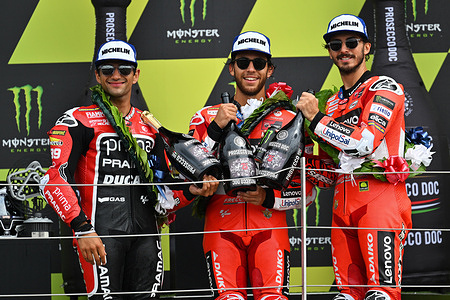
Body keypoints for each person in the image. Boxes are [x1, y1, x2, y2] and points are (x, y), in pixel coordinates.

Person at [40, 40, 218, 299]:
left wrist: (191, 191)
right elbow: (54, 178)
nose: (116, 75)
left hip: (147, 236)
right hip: (100, 235)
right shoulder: (77, 120)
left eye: (124, 69)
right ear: (97, 75)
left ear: (135, 75)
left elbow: (163, 192)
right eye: (107, 69)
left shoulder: (150, 127)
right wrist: (82, 229)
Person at [178, 31, 336, 300]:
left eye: (259, 63)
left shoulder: (290, 119)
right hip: (221, 227)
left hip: (270, 228)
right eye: (242, 62)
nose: (251, 69)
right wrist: (215, 128)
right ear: (231, 68)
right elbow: (186, 172)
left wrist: (267, 198)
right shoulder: (206, 116)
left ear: (270, 69)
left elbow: (307, 193)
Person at [296, 14, 412, 300]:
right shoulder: (332, 101)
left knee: (381, 295)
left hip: (380, 199)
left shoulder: (384, 87)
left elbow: (365, 143)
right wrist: (294, 161)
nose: (343, 49)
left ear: (367, 48)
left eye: (351, 42)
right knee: (346, 296)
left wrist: (316, 118)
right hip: (341, 205)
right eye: (335, 44)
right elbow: (328, 167)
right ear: (330, 51)